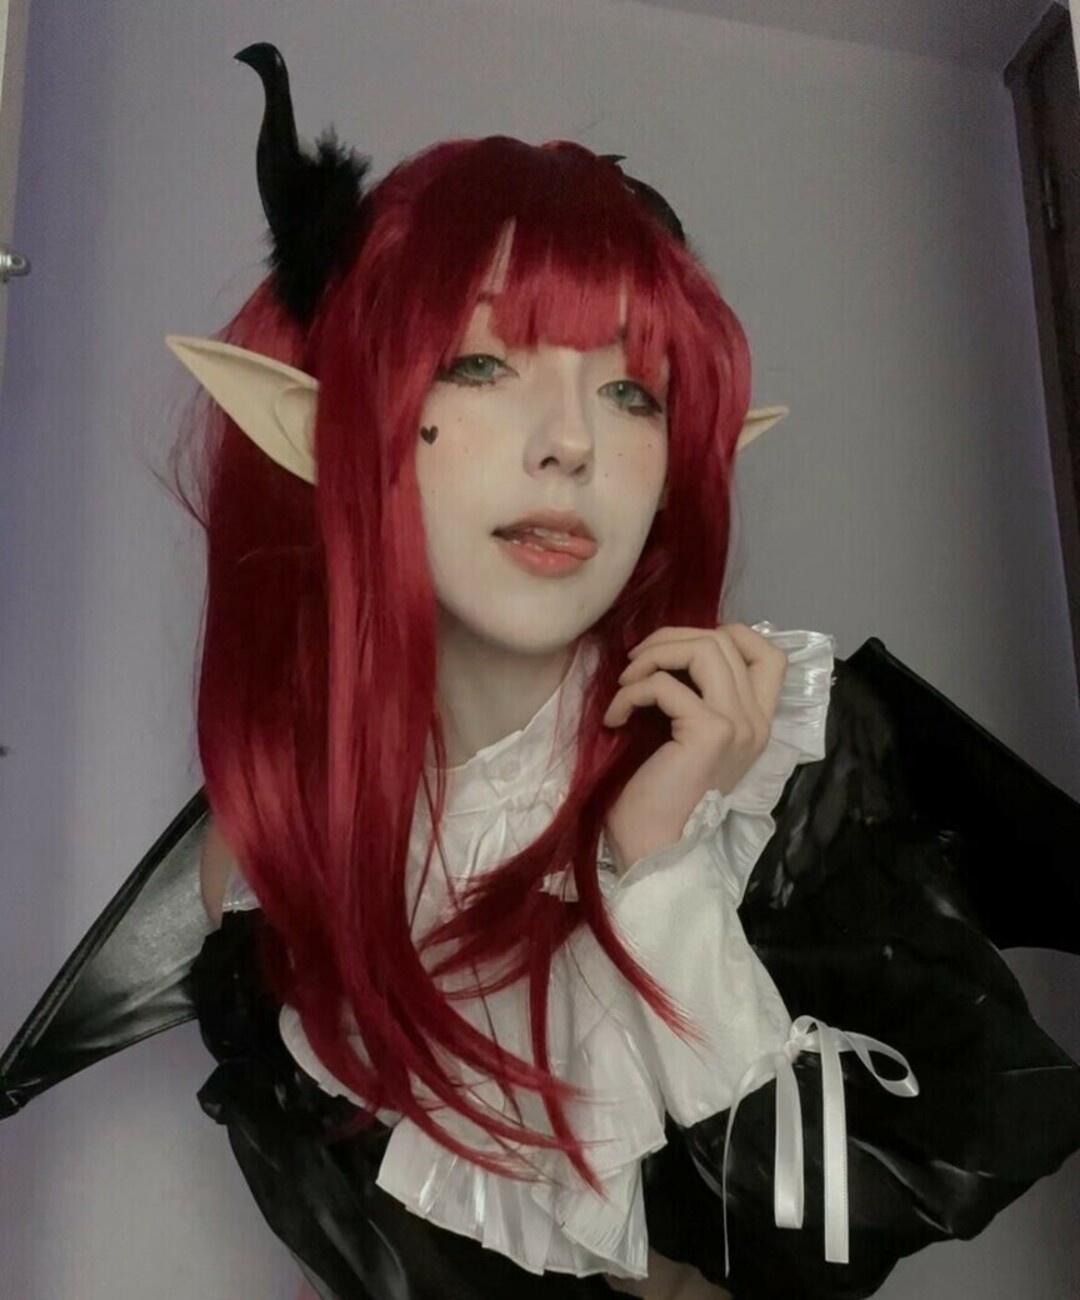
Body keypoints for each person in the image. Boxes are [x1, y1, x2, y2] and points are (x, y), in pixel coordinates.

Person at [3, 43, 1080, 1300]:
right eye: (482, 364)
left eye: (633, 393)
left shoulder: (780, 775)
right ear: (346, 426)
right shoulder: (263, 866)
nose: (571, 443)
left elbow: (839, 1228)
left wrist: (657, 878)